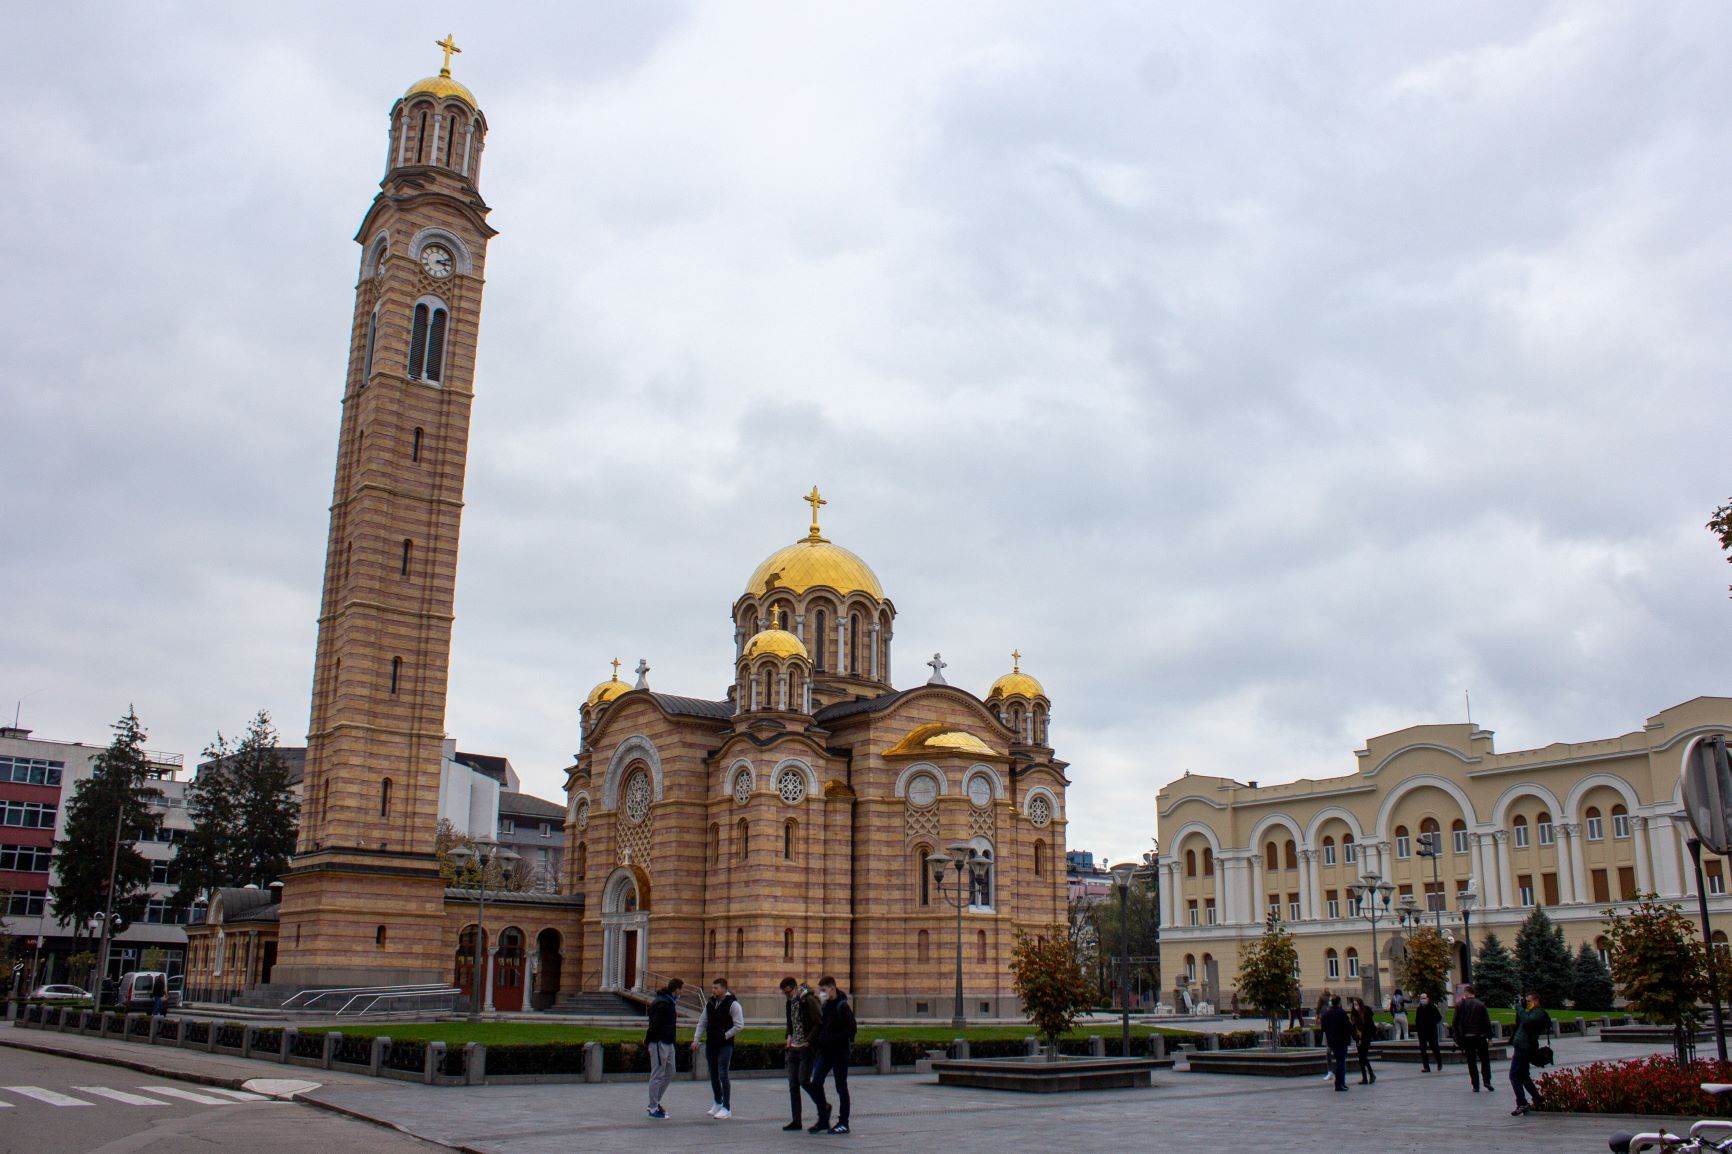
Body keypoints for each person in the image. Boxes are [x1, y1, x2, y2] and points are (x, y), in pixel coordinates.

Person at [805, 975, 857, 1135]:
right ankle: (823, 1119)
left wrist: (832, 1039)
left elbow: (851, 1030)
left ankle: (843, 1122)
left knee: (841, 1087)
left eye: (823, 990)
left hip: (840, 1053)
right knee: (816, 1082)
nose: (821, 993)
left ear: (832, 989)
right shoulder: (826, 1005)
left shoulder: (842, 1006)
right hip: (826, 1052)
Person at [693, 976, 744, 1119]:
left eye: (716, 988)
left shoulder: (733, 1004)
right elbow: (702, 1021)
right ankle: (717, 1101)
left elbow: (739, 1024)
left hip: (725, 1045)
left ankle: (727, 1107)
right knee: (713, 1073)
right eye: (713, 988)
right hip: (711, 1044)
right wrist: (696, 1039)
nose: (713, 990)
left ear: (723, 988)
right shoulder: (710, 1002)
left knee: (723, 1073)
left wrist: (725, 1035)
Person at [780, 976, 823, 1132]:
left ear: (795, 988)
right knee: (793, 1084)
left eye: (788, 992)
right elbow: (791, 1022)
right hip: (794, 1047)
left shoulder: (808, 1000)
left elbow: (819, 1022)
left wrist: (808, 1041)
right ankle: (796, 1121)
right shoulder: (789, 1002)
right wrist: (789, 1036)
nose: (787, 995)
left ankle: (823, 1106)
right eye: (785, 993)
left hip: (806, 1047)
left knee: (804, 1080)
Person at [644, 977, 683, 1120]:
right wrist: (655, 1041)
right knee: (657, 1074)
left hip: (668, 1041)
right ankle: (653, 1107)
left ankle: (655, 1101)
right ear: (676, 990)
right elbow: (655, 1024)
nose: (681, 993)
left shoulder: (669, 1002)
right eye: (681, 990)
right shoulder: (662, 1003)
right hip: (659, 1042)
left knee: (670, 1071)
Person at [1509, 992, 1553, 1116]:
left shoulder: (1538, 1013)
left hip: (1525, 1047)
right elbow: (1521, 1021)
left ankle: (1522, 1103)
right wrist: (1521, 1008)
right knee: (1523, 1075)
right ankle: (1538, 1099)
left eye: (1529, 1001)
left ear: (1536, 1001)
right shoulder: (1529, 1012)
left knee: (1514, 1075)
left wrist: (1518, 1007)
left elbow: (1527, 1020)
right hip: (1521, 1046)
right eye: (1526, 1001)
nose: (1526, 1004)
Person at [1450, 983, 1494, 1093]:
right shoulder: (1481, 1005)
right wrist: (1490, 1038)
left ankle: (1475, 1085)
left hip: (1467, 1037)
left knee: (1471, 1062)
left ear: (1466, 993)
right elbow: (1486, 1022)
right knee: (1485, 1060)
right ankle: (1487, 1081)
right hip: (1480, 1037)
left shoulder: (1460, 1005)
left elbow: (1455, 1022)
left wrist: (1457, 1036)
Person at [1320, 995, 1352, 1091]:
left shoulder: (1326, 1014)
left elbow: (1323, 1028)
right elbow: (1348, 1027)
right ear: (1339, 1003)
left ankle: (1340, 1083)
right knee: (1341, 1062)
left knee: (1339, 1062)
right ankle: (1339, 1083)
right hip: (1342, 1041)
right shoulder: (1341, 1013)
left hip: (1331, 1041)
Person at [1414, 991, 1444, 1072]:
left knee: (1434, 1047)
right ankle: (1426, 1067)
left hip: (1431, 1031)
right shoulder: (1419, 1008)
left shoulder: (1432, 1007)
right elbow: (1417, 1020)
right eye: (1421, 998)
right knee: (1423, 1049)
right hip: (1422, 1031)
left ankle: (1439, 1063)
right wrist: (1418, 1027)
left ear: (1427, 999)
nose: (1423, 1000)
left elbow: (1439, 1017)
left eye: (1424, 998)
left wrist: (1432, 1023)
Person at [1350, 998, 1377, 1084]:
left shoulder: (1366, 1013)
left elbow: (1370, 1026)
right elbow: (1353, 1028)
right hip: (1358, 1039)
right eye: (1354, 1004)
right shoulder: (1354, 1015)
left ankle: (1371, 1074)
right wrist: (1355, 1037)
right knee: (1361, 1059)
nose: (1355, 1006)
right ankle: (1365, 1077)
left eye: (1357, 1004)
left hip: (1365, 1038)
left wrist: (1365, 1036)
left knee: (1363, 1057)